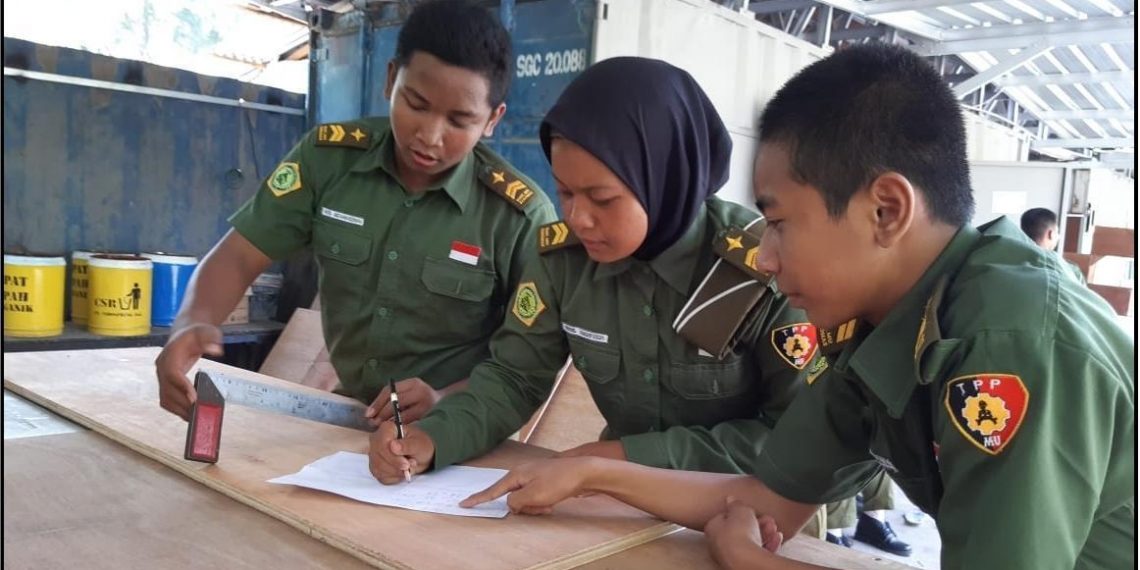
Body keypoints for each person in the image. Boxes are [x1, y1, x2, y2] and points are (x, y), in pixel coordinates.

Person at [461, 44, 1135, 570]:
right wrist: (591, 471)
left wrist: (750, 560)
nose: (766, 257)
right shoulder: (874, 330)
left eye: (780, 223)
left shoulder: (1010, 344)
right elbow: (767, 495)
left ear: (886, 210)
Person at [366, 57, 812, 485]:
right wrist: (433, 439)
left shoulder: (762, 266)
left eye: (602, 199)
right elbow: (515, 378)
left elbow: (797, 436)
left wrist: (625, 458)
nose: (578, 218)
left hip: (752, 511)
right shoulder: (564, 260)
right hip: (616, 499)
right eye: (565, 193)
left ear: (664, 179)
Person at [155, 0, 555, 419]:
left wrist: (445, 400)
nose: (430, 135)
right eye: (416, 104)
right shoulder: (328, 160)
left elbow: (530, 360)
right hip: (352, 418)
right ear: (391, 79)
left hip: (460, 427)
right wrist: (193, 322)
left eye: (459, 121)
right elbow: (240, 255)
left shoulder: (519, 218)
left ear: (492, 120)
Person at [1020, 207, 1087, 285]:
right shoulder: (1067, 271)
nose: (1058, 237)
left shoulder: (1012, 259)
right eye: (1057, 232)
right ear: (1051, 234)